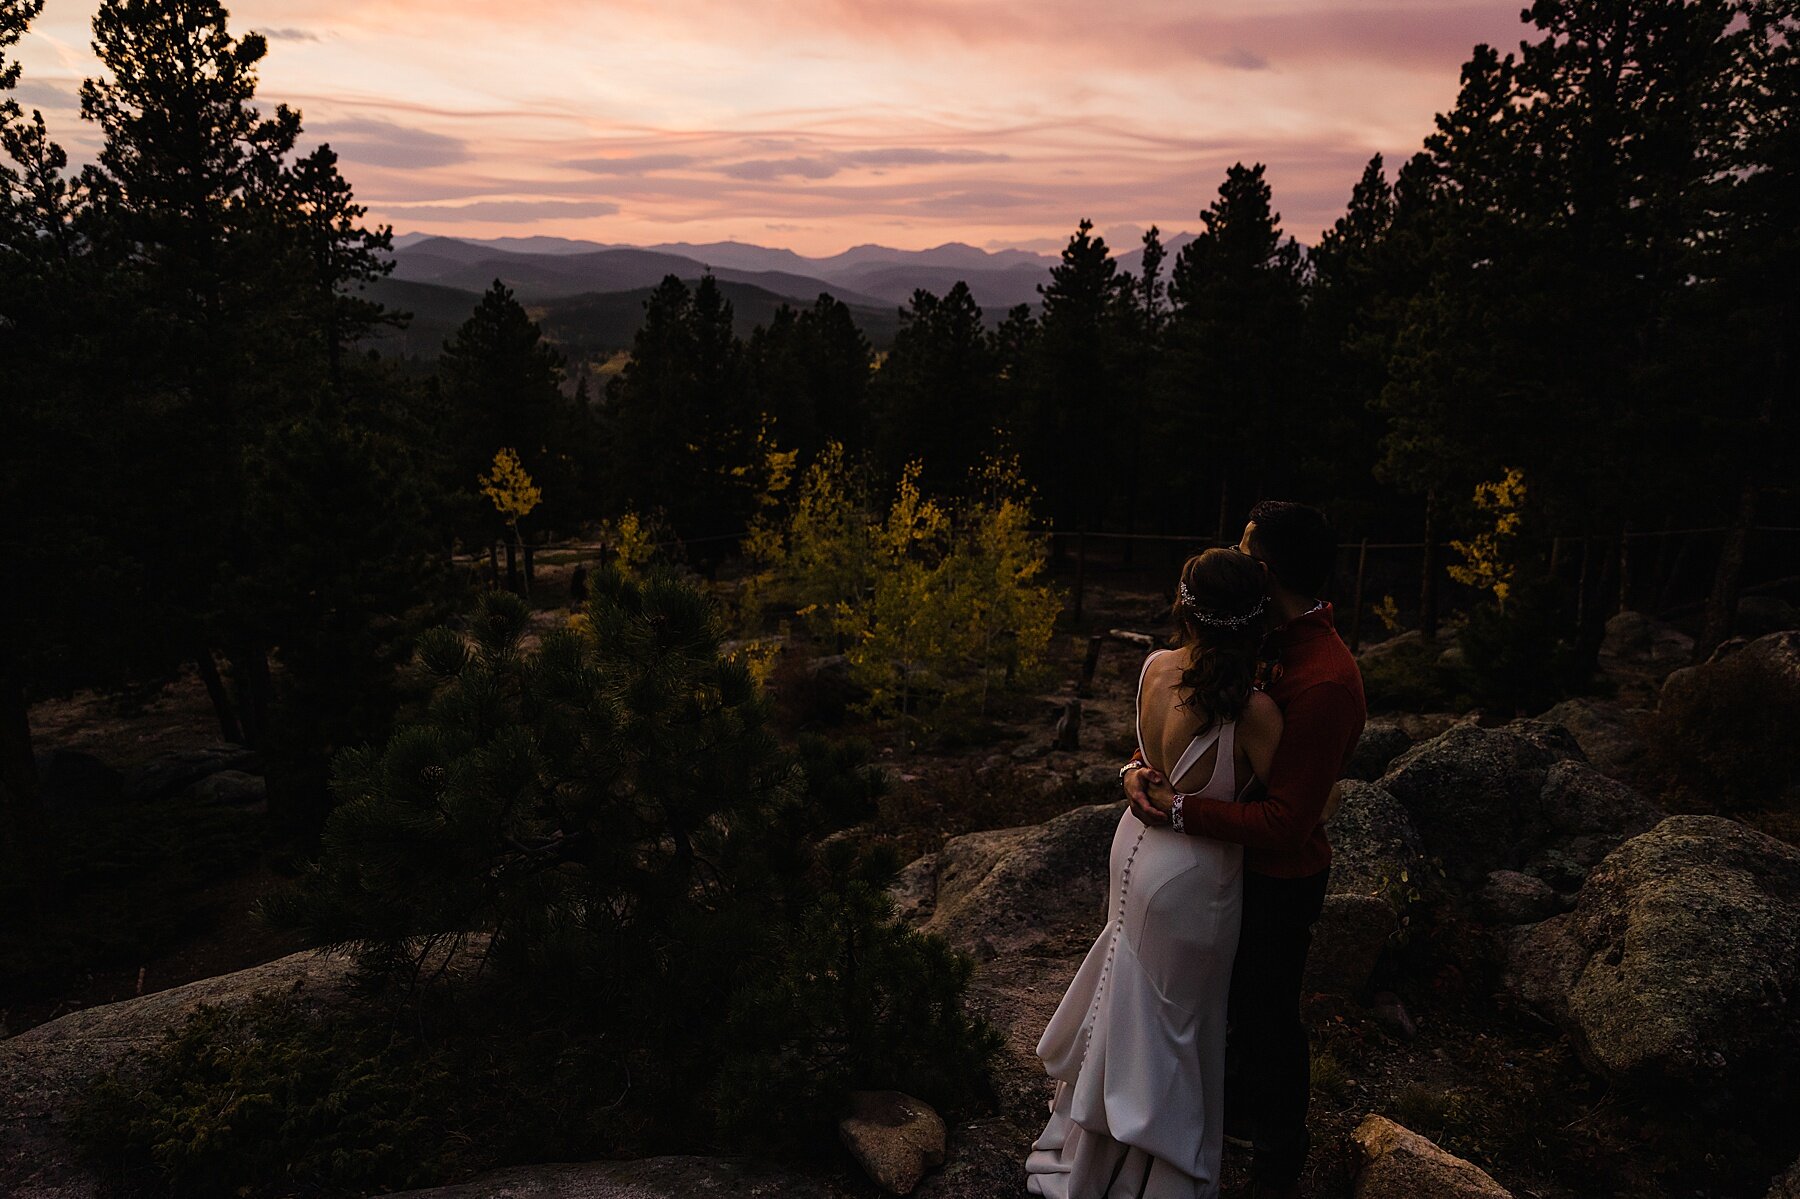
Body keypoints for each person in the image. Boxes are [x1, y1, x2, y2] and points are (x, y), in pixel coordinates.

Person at [1123, 501, 1367, 1199]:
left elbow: (1291, 822)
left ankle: (1277, 1159)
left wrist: (1177, 808)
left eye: (1242, 545)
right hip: (1217, 865)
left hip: (1276, 877)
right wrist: (1136, 769)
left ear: (1263, 567)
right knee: (1214, 1009)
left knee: (1267, 1016)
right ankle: (1212, 1119)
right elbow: (1182, 721)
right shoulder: (1253, 636)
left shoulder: (1323, 678)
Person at [1025, 548, 1284, 1199]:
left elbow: (1142, 753)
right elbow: (1297, 807)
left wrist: (1131, 773)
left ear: (1185, 607)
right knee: (1180, 1027)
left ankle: (1093, 1162)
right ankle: (1159, 1175)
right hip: (1196, 876)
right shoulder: (1256, 713)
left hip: (1133, 848)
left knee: (1125, 1010)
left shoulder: (1153, 668)